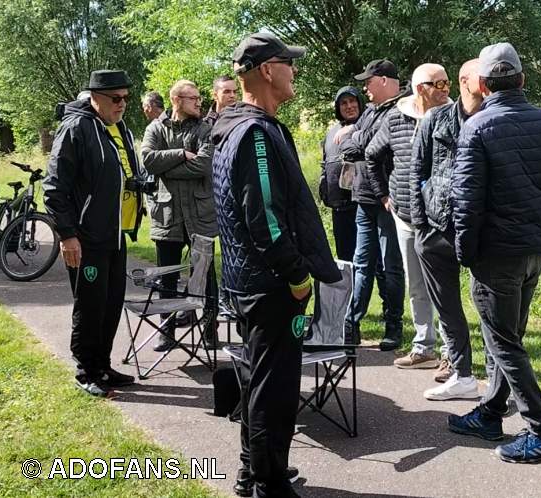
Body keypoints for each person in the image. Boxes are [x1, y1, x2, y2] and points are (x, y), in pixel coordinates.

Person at [212, 32, 341, 497]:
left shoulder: (239, 126)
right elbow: (263, 218)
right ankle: (267, 483)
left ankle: (254, 473)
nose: (295, 71)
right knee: (275, 389)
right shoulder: (254, 133)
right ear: (267, 70)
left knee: (258, 381)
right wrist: (298, 276)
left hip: (251, 280)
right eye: (289, 63)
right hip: (269, 285)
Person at [447, 43, 541, 463]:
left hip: (497, 254)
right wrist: (538, 231)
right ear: (522, 80)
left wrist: (466, 252)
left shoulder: (477, 126)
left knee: (504, 343)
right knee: (507, 338)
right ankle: (492, 412)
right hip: (533, 247)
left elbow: (466, 201)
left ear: (482, 84)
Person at [44, 70, 145, 397]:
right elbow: (55, 187)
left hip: (114, 234)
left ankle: (102, 364)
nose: (123, 104)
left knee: (111, 302)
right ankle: (85, 370)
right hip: (87, 238)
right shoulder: (76, 128)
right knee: (90, 306)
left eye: (126, 98)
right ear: (94, 98)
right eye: (116, 98)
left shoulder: (114, 127)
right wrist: (67, 235)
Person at [366, 63, 450, 368]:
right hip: (404, 215)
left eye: (447, 83)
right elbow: (372, 155)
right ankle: (423, 345)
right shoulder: (396, 117)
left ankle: (450, 353)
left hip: (439, 219)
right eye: (438, 84)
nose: (445, 90)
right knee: (416, 285)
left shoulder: (452, 117)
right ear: (420, 88)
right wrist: (384, 196)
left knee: (442, 285)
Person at [410, 59, 483, 398]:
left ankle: (498, 383)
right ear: (466, 80)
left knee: (488, 308)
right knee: (448, 306)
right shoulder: (435, 120)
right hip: (437, 228)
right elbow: (416, 172)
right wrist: (421, 228)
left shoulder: (490, 121)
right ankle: (462, 374)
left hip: (481, 230)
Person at [141, 79, 218, 352]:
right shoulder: (155, 128)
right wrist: (181, 154)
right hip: (168, 215)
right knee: (167, 277)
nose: (199, 102)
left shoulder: (206, 129)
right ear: (176, 100)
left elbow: (204, 165)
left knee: (204, 276)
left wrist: (168, 167)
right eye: (192, 98)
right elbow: (148, 159)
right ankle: (167, 331)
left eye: (199, 97)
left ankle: (210, 331)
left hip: (200, 215)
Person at [336, 59, 407, 351]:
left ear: (385, 80)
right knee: (361, 263)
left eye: (369, 80)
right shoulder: (370, 113)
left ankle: (394, 327)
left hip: (389, 199)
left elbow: (366, 146)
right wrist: (355, 138)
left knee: (391, 266)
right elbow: (349, 147)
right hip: (364, 198)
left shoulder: (399, 110)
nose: (365, 86)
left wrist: (355, 138)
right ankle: (351, 324)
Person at [319, 86, 364, 260]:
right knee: (345, 258)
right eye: (344, 103)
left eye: (352, 101)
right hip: (339, 207)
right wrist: (324, 185)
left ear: (360, 102)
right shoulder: (332, 132)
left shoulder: (368, 126)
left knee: (370, 260)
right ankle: (350, 288)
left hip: (363, 205)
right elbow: (325, 162)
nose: (349, 106)